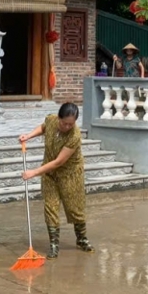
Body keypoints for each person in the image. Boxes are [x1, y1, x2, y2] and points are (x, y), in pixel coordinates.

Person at [19, 103, 93, 258]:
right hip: (49, 175)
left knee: (74, 208)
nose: (66, 126)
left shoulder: (74, 136)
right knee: (50, 207)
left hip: (70, 174)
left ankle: (82, 239)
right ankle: (54, 245)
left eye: (70, 124)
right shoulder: (52, 120)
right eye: (64, 123)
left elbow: (59, 162)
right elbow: (43, 127)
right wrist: (28, 136)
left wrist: (34, 172)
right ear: (59, 118)